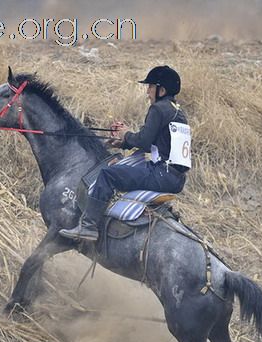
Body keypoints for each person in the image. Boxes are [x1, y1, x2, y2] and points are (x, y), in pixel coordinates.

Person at [59, 65, 191, 242]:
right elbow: (155, 143)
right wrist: (124, 142)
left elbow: (144, 141)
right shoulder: (177, 111)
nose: (147, 92)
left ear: (162, 89)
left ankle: (89, 226)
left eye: (150, 87)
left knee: (107, 174)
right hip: (175, 178)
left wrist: (125, 135)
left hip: (161, 174)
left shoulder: (158, 109)